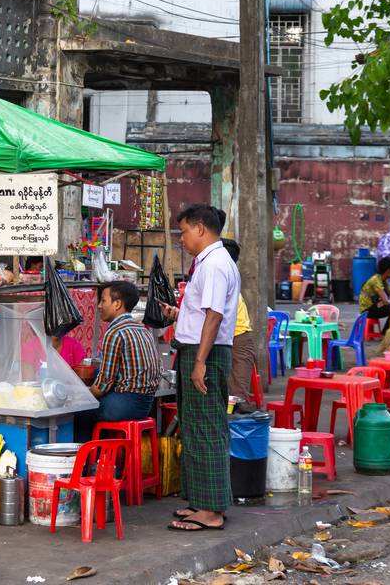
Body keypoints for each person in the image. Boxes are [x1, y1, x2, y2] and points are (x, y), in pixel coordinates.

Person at [161, 203, 239, 533]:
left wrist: (200, 362)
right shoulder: (207, 263)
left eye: (184, 231)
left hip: (206, 353)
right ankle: (199, 500)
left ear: (200, 229)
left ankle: (211, 509)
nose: (182, 238)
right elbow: (200, 313)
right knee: (193, 427)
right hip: (196, 349)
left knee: (207, 429)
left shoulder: (217, 264)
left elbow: (214, 315)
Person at [76, 280, 161, 440]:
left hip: (125, 404)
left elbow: (104, 384)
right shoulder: (142, 329)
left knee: (79, 413)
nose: (99, 306)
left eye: (103, 300)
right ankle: (107, 459)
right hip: (146, 404)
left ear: (117, 304)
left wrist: (80, 397)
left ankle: (87, 462)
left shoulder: (115, 332)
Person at [222, 239, 258, 402]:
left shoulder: (226, 276)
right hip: (227, 339)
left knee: (237, 398)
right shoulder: (225, 274)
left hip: (238, 338)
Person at [359, 255, 390, 322]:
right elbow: (386, 301)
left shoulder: (382, 280)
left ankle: (387, 330)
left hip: (374, 307)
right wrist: (385, 302)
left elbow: (388, 297)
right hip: (367, 311)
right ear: (388, 271)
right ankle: (386, 330)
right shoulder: (376, 280)